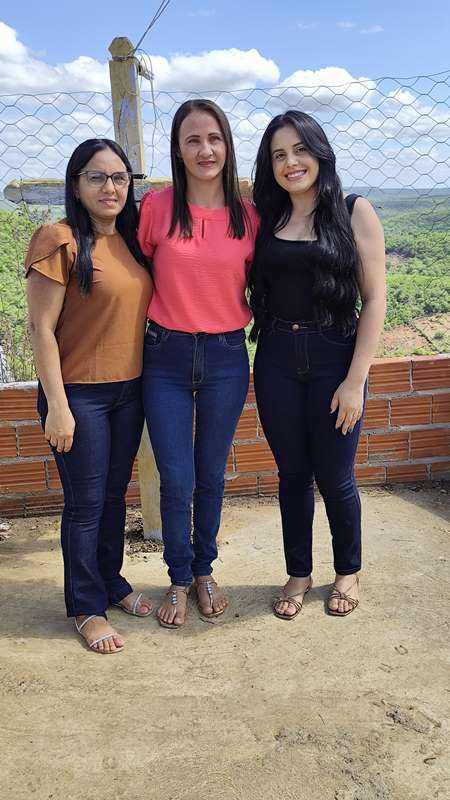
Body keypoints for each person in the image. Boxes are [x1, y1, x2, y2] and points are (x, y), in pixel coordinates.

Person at [249, 110, 386, 619]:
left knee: (335, 475)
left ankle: (348, 570)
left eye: (300, 150)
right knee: (292, 475)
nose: (291, 162)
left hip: (336, 356)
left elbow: (375, 299)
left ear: (320, 152)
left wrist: (355, 381)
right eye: (279, 155)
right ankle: (299, 573)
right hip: (276, 358)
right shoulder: (266, 216)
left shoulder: (354, 211)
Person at [25, 139, 154, 653]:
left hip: (130, 391)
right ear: (76, 184)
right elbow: (40, 330)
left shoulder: (130, 239)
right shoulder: (59, 240)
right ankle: (85, 606)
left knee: (115, 497)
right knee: (85, 505)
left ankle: (111, 581)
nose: (110, 187)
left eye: (119, 177)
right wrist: (57, 406)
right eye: (96, 177)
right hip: (79, 395)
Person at [138, 99, 258, 629]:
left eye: (214, 138)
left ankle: (204, 570)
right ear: (178, 149)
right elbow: (136, 274)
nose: (205, 149)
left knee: (210, 472)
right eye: (193, 140)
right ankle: (178, 576)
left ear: (227, 145)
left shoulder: (248, 216)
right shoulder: (156, 209)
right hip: (164, 355)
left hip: (227, 355)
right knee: (176, 475)